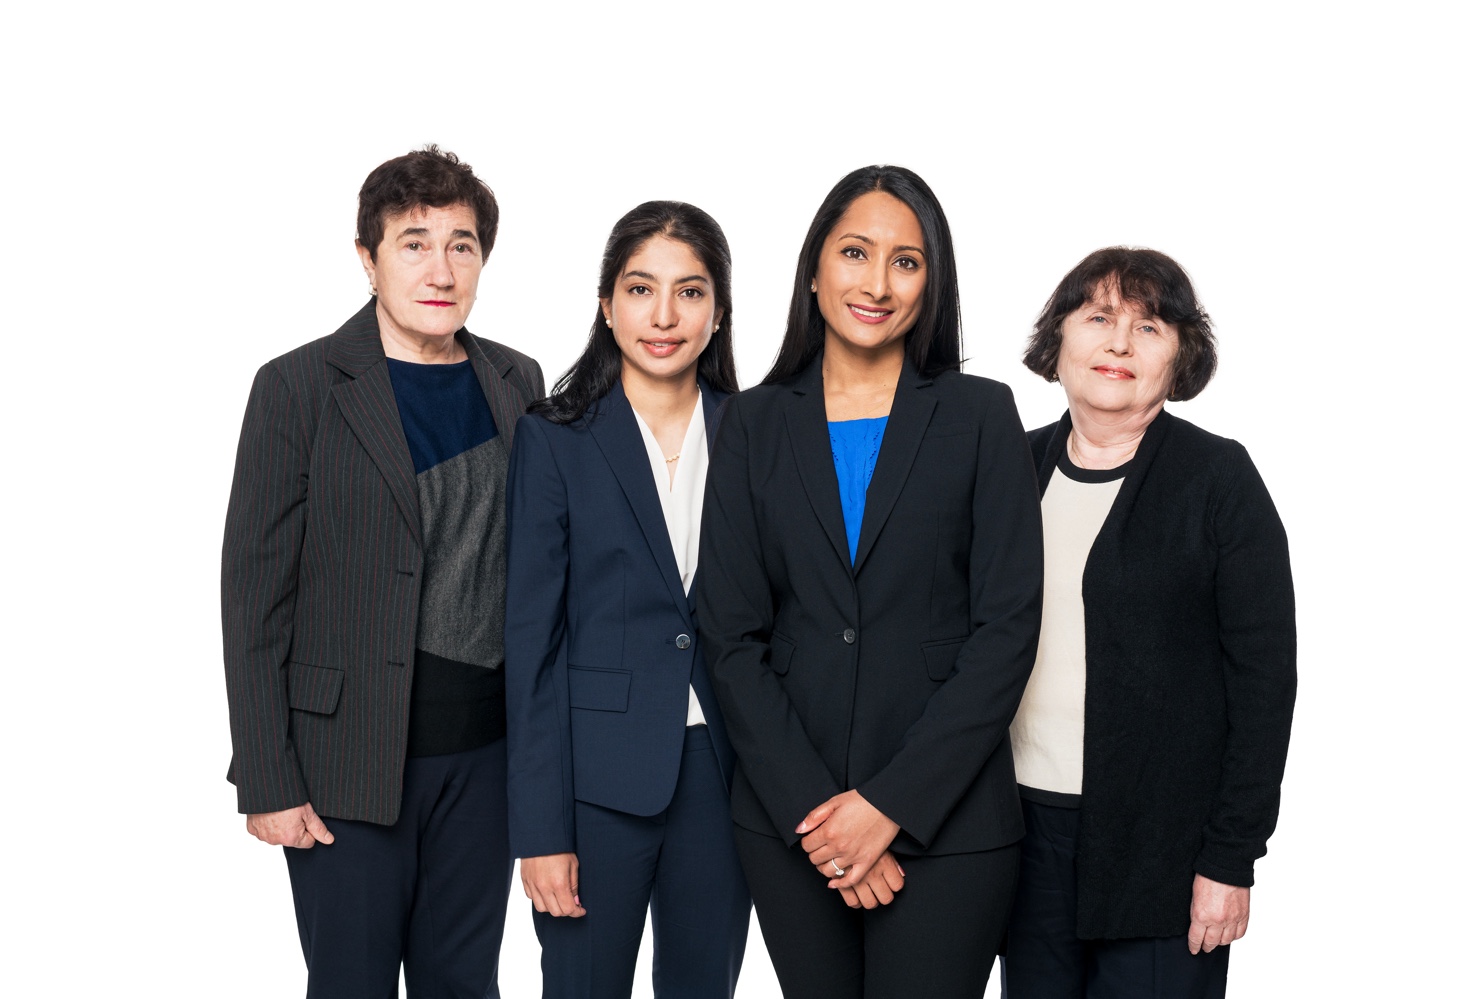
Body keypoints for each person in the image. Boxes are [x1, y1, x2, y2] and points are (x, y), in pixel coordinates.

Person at [697, 165, 1045, 999]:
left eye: (907, 261)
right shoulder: (751, 421)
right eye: (855, 252)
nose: (877, 284)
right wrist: (823, 817)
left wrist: (888, 805)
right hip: (792, 827)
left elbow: (1006, 632)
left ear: (932, 283)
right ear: (815, 266)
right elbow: (728, 633)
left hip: (949, 825)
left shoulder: (980, 415)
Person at [221, 145, 544, 998]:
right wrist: (267, 773)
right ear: (368, 259)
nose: (440, 268)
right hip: (343, 768)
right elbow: (253, 596)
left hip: (485, 761)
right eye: (413, 242)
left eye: (462, 244)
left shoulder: (519, 381)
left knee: (464, 983)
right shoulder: (297, 388)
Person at [1001, 247, 1297, 999]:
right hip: (1017, 841)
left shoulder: (1218, 480)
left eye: (1150, 326)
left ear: (1181, 356)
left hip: (1163, 855)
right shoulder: (1008, 468)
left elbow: (1265, 686)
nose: (1119, 343)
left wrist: (1232, 858)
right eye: (1097, 317)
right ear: (1057, 339)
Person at [505, 201, 752, 998]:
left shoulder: (757, 433)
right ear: (607, 306)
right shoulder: (555, 438)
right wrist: (540, 830)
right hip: (594, 783)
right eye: (641, 289)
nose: (664, 315)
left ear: (718, 313)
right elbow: (532, 645)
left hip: (724, 774)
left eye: (690, 292)